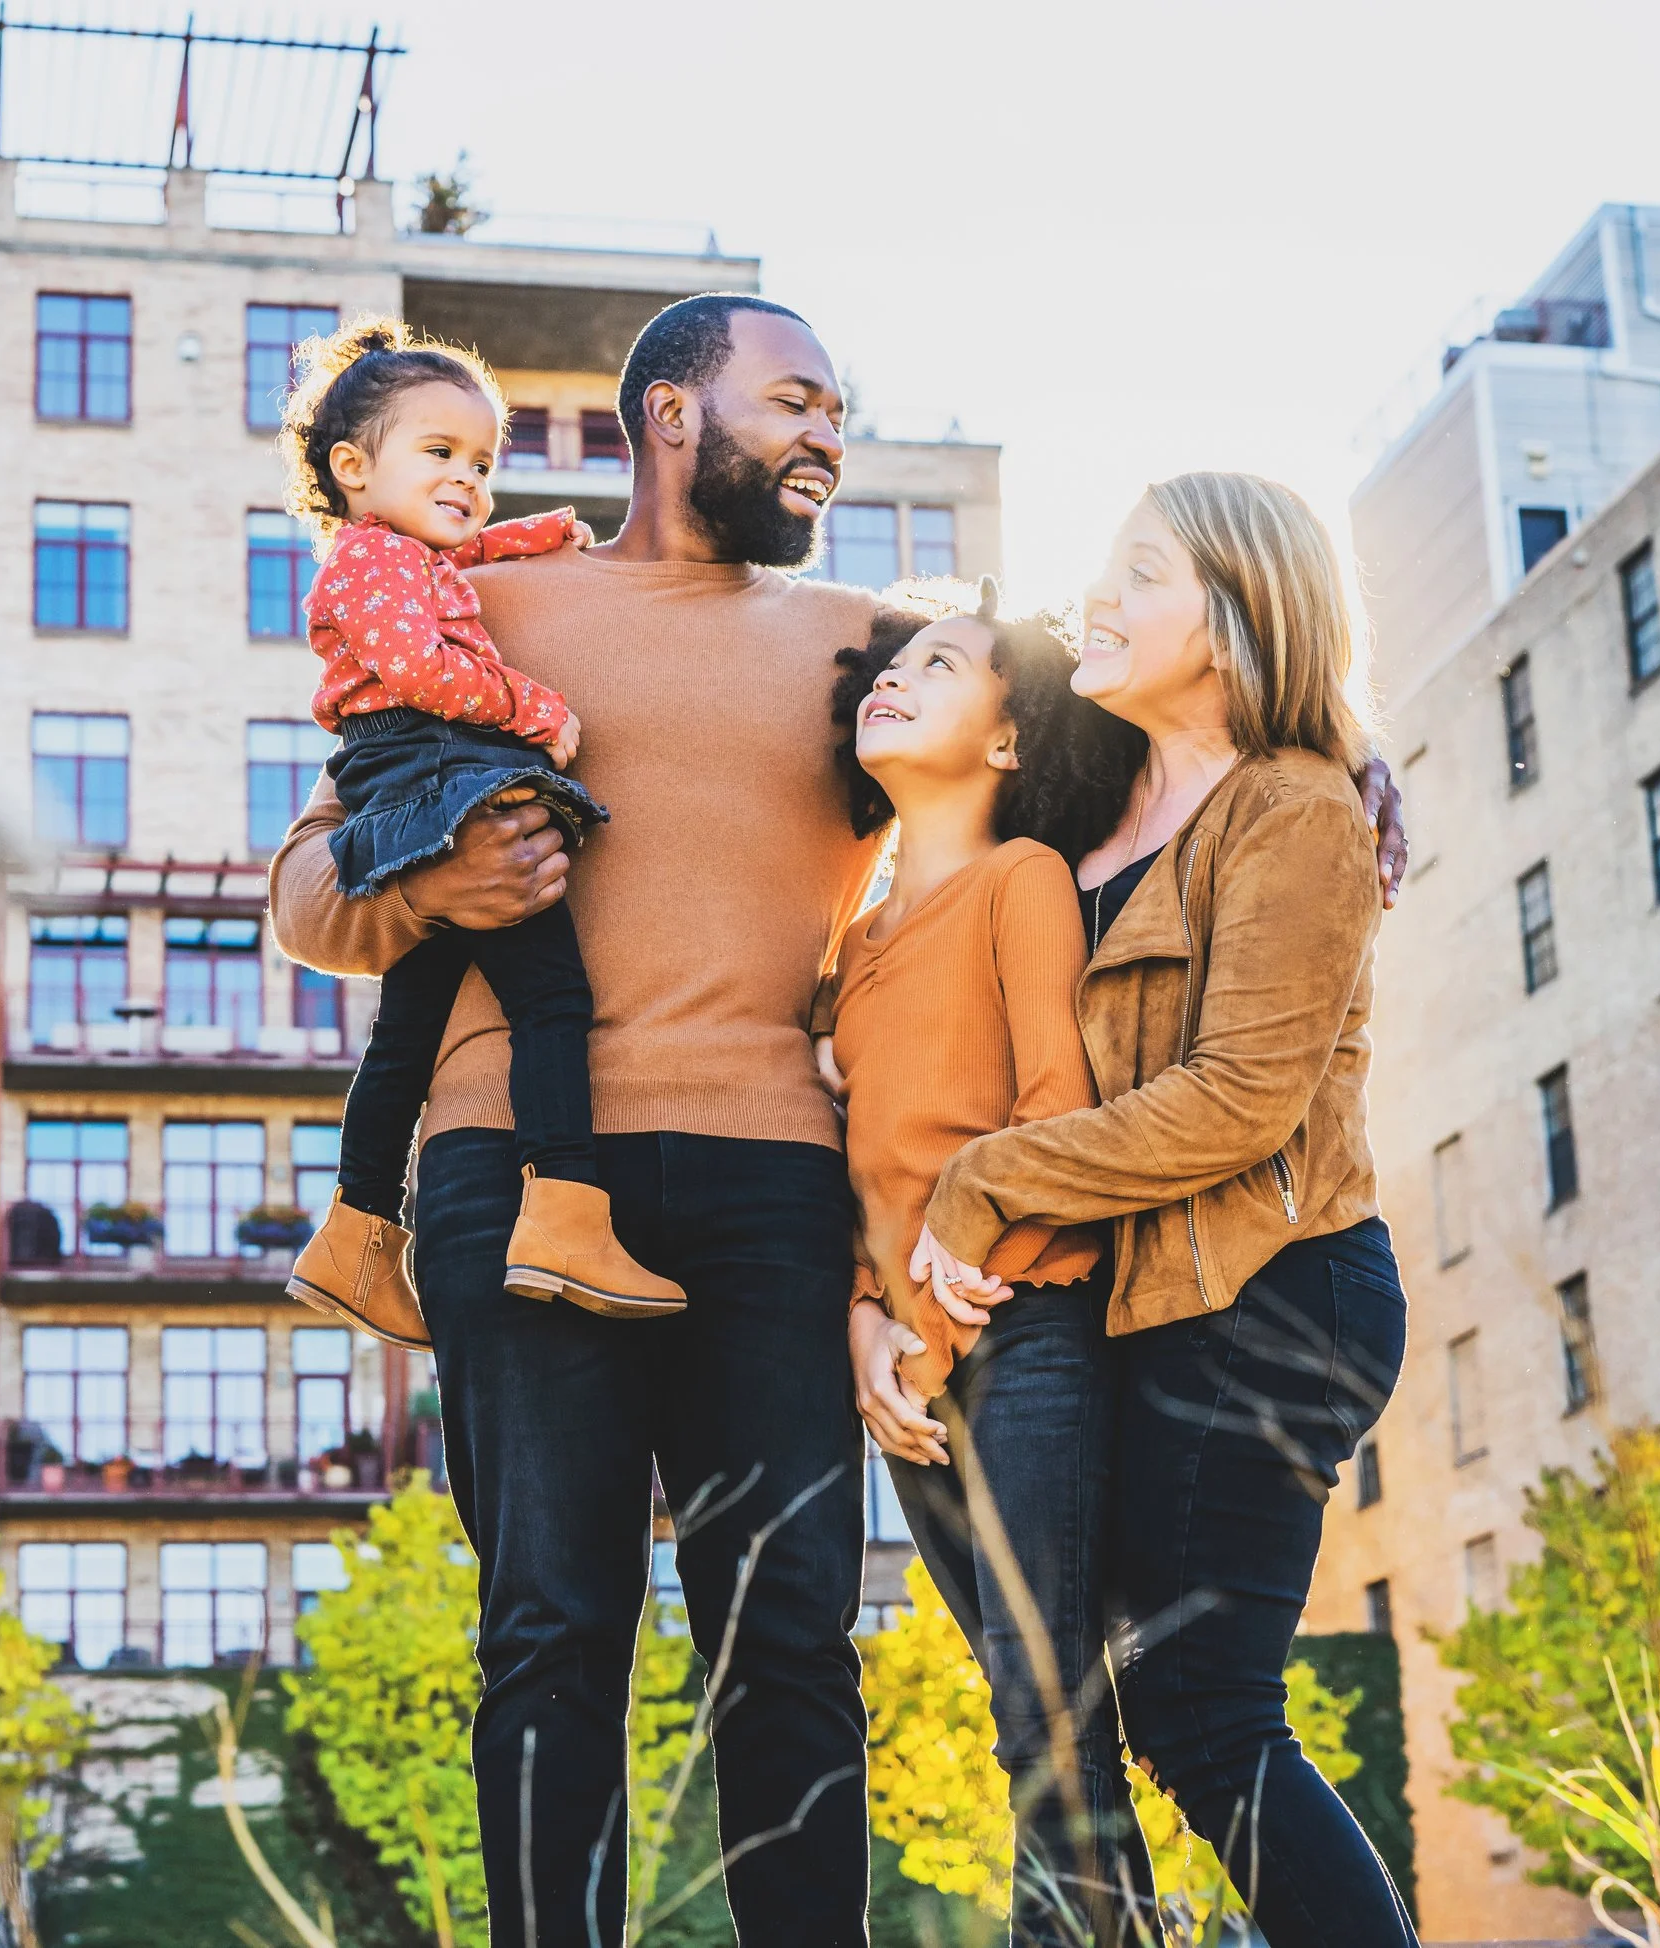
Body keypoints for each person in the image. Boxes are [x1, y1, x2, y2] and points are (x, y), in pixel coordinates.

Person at [271, 290, 1412, 1947]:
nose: (826, 434)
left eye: (839, 408)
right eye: (794, 399)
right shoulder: (484, 603)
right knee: (549, 1625)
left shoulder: (866, 647)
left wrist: (1339, 751)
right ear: (672, 413)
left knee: (795, 1630)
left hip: (779, 1194)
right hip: (513, 1175)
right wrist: (430, 876)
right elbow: (308, 882)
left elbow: (1145, 731)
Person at [900, 474, 1420, 1947]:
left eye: (1141, 574)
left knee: (1202, 1712)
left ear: (1241, 611)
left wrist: (984, 1181)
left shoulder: (1296, 809)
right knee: (1070, 1705)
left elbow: (1238, 1102)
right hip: (1125, 1305)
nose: (1099, 602)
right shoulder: (1084, 806)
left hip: (1274, 1289)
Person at [820, 585, 1155, 1944]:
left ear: (1011, 743)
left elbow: (1054, 1113)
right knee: (1019, 1696)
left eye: (940, 667)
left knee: (1044, 1696)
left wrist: (930, 1335)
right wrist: (861, 1324)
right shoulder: (855, 945)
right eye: (891, 667)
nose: (893, 681)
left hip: (1024, 1333)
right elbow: (856, 1178)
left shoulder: (1022, 883)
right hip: (906, 1373)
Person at [275, 318, 686, 1347]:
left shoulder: (399, 550)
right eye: (441, 454)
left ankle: (358, 1230)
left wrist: (538, 534)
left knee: (408, 1029)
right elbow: (417, 668)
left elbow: (462, 555)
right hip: (430, 761)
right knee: (550, 998)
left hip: (416, 771)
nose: (469, 478)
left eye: (482, 463)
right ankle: (562, 1210)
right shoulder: (367, 564)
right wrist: (528, 707)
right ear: (353, 467)